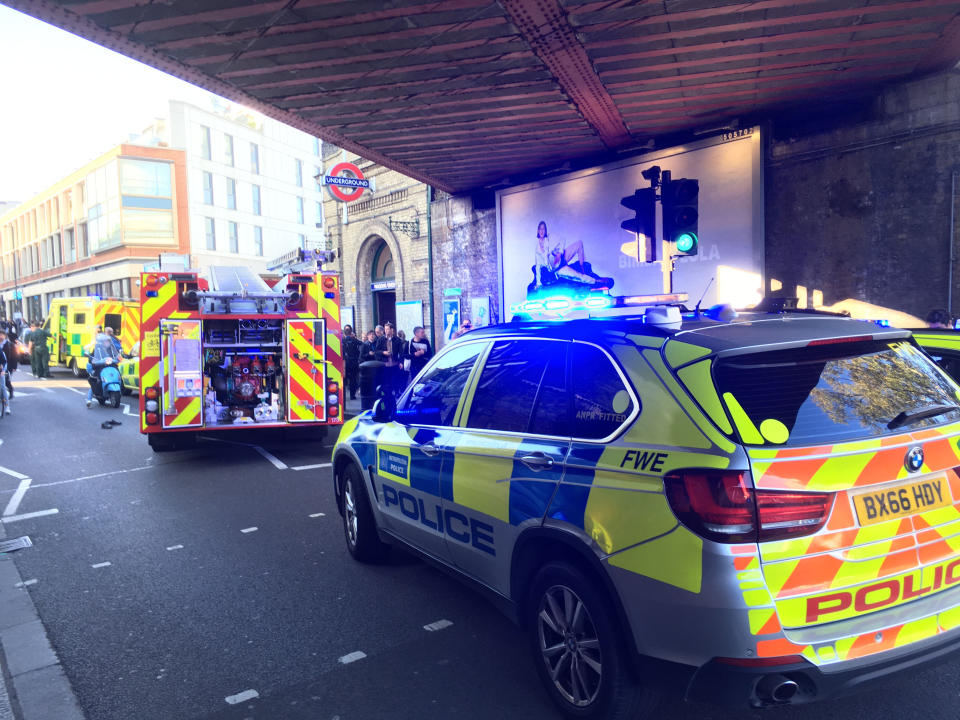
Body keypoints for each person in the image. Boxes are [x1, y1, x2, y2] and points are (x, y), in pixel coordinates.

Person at [533, 220, 594, 289]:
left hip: (563, 257)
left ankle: (582, 267)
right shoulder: (537, 250)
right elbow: (537, 267)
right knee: (578, 276)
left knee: (579, 243)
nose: (542, 231)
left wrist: (559, 253)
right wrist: (538, 283)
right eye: (540, 229)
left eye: (543, 229)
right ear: (538, 231)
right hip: (558, 269)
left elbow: (562, 239)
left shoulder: (549, 238)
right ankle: (595, 281)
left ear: (545, 230)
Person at [85, 332, 120, 408]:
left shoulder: (111, 348)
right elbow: (92, 356)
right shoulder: (97, 348)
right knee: (95, 380)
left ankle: (121, 388)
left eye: (108, 341)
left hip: (110, 365)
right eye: (105, 341)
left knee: (119, 374)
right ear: (101, 342)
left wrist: (118, 357)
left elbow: (116, 354)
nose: (107, 342)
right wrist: (92, 359)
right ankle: (89, 399)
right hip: (100, 366)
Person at [375, 322, 402, 395]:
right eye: (385, 329)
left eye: (387, 329)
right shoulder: (381, 339)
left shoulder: (397, 340)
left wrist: (401, 362)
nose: (386, 331)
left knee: (396, 379)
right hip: (385, 364)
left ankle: (397, 392)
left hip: (395, 363)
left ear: (392, 330)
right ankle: (387, 394)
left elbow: (401, 352)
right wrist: (383, 352)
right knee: (386, 380)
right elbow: (377, 351)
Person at [342, 325, 362, 400]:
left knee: (343, 380)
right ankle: (352, 396)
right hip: (353, 362)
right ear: (351, 332)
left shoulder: (342, 340)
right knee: (353, 380)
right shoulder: (354, 340)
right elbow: (362, 344)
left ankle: (343, 397)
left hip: (344, 363)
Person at [0, 328, 17, 402]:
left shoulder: (10, 345)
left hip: (8, 365)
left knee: (6, 380)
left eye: (2, 335)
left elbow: (14, 356)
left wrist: (14, 366)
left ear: (5, 336)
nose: (0, 337)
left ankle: (11, 391)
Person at [0, 330, 10, 414]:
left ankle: (7, 406)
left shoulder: (1, 350)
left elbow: (4, 361)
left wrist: (3, 371)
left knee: (3, 387)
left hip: (1, 370)